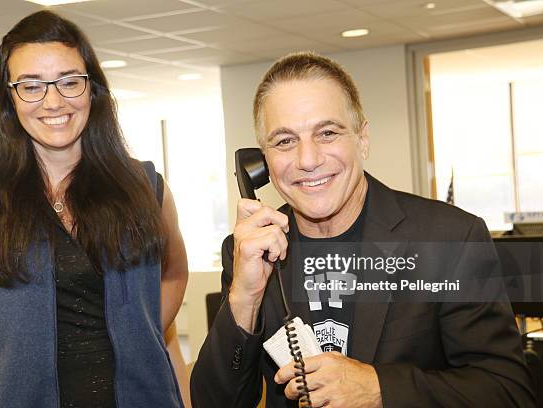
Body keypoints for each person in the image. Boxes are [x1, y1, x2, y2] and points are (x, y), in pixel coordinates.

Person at [190, 52, 535, 407]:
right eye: (285, 141)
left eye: (327, 132)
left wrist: (378, 388)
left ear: (362, 139)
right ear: (261, 162)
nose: (308, 160)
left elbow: (508, 392)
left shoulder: (449, 238)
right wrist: (244, 298)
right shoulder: (250, 251)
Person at [0, 10, 189, 408]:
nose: (53, 101)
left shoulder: (146, 188)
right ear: (9, 97)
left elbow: (174, 272)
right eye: (32, 86)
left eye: (69, 82)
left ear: (92, 89)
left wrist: (134, 336)